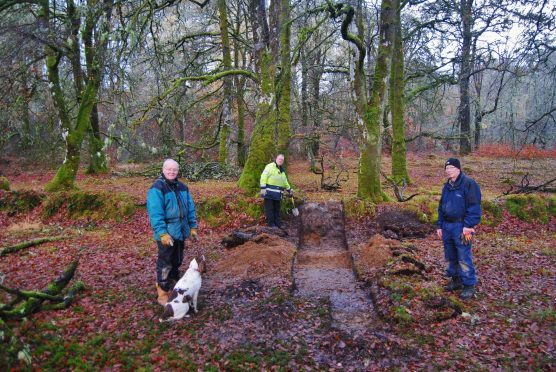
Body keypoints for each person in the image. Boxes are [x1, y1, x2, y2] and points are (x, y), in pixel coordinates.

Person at [147, 159, 198, 306]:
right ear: (163, 170)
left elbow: (190, 208)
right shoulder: (157, 188)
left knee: (177, 259)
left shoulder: (182, 187)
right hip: (167, 231)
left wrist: (192, 227)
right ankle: (162, 292)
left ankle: (176, 284)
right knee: (165, 262)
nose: (172, 172)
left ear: (178, 171)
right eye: (169, 169)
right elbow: (155, 213)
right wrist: (162, 233)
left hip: (181, 230)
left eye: (174, 170)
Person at [437, 158, 481, 299]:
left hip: (462, 227)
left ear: (458, 169)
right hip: (447, 226)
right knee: (450, 256)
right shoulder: (447, 186)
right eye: (447, 169)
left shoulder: (469, 184)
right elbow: (441, 207)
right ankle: (455, 281)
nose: (449, 171)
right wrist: (440, 225)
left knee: (463, 256)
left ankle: (469, 285)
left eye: (451, 168)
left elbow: (474, 206)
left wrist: (468, 226)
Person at [260, 154, 293, 228]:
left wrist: (289, 189)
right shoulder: (270, 166)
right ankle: (271, 224)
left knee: (277, 209)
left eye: (282, 160)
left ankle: (278, 223)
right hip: (268, 192)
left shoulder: (282, 170)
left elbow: (285, 182)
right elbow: (263, 176)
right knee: (269, 209)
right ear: (276, 159)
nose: (280, 161)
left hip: (278, 194)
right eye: (279, 159)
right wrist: (263, 187)